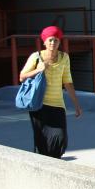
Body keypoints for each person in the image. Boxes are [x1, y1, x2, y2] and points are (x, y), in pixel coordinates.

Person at [19, 26, 82, 158]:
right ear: (44, 42)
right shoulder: (36, 57)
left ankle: (54, 161)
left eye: (56, 40)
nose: (53, 43)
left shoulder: (64, 57)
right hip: (38, 104)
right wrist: (39, 69)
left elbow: (67, 82)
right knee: (41, 140)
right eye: (50, 40)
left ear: (60, 42)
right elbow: (22, 76)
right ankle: (44, 165)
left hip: (58, 104)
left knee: (60, 138)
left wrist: (77, 105)